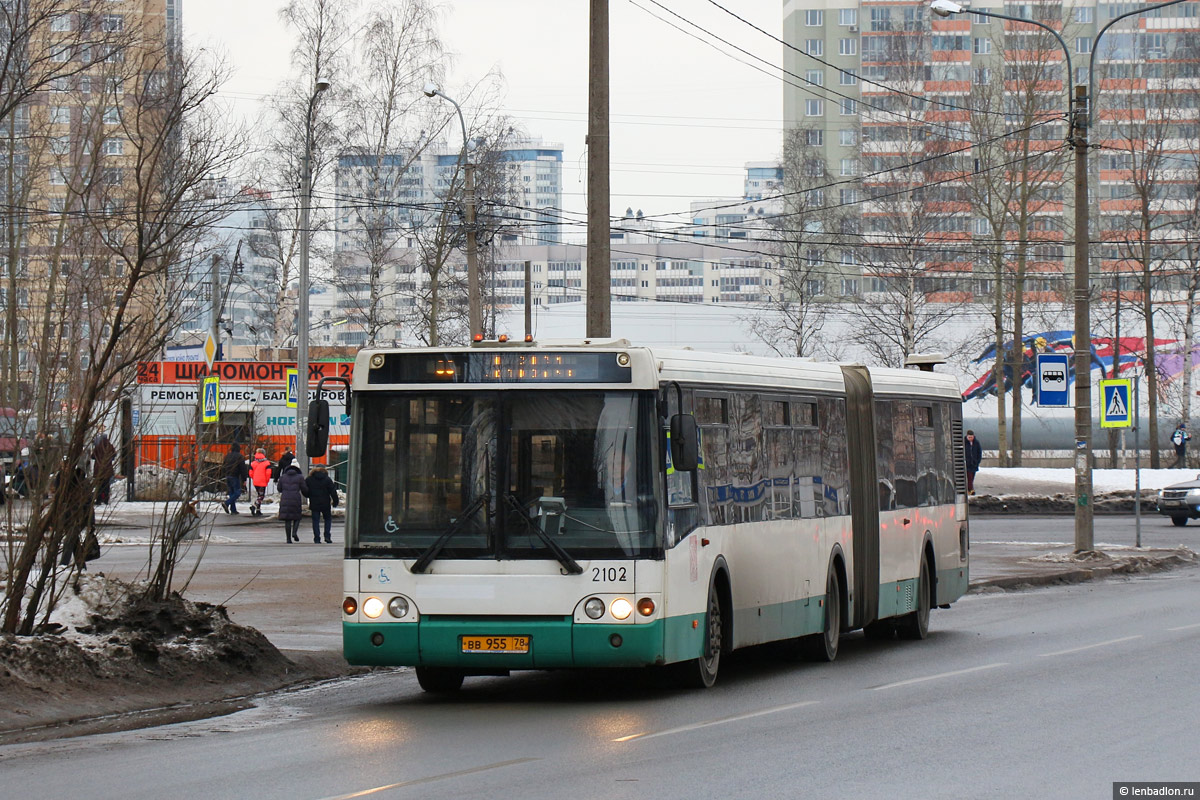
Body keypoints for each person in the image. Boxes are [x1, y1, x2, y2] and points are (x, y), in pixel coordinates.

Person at [57, 463, 99, 568]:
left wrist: (90, 521)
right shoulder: (63, 482)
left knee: (69, 541)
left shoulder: (81, 483)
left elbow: (89, 503)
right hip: (68, 517)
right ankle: (81, 567)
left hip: (79, 518)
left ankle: (63, 565)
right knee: (74, 543)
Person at [305, 465, 339, 543]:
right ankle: (327, 536)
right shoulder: (327, 479)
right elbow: (333, 491)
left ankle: (317, 538)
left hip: (314, 502)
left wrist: (308, 495)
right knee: (327, 519)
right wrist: (335, 501)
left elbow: (305, 489)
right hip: (325, 503)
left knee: (315, 520)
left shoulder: (309, 479)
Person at [277, 462, 309, 543]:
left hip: (285, 498)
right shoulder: (300, 477)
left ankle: (288, 539)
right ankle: (294, 532)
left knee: (287, 519)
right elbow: (304, 489)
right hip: (296, 498)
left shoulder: (283, 477)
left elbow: (279, 489)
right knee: (297, 517)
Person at [221, 444, 249, 515]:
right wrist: (244, 478)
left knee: (231, 493)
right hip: (235, 476)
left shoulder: (227, 456)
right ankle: (226, 503)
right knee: (237, 492)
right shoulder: (240, 457)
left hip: (228, 476)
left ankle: (233, 509)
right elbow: (243, 469)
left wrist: (224, 474)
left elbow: (223, 466)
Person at [91, 430, 116, 505]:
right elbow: (114, 454)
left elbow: (92, 456)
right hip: (107, 469)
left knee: (99, 485)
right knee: (106, 485)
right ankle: (105, 499)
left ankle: (99, 499)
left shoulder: (98, 447)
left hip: (99, 469)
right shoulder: (110, 446)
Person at [247, 448, 274, 517]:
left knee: (259, 495)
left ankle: (258, 510)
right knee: (261, 496)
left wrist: (254, 477)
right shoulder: (267, 463)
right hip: (262, 481)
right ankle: (255, 505)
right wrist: (266, 480)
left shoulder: (253, 463)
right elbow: (268, 473)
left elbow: (250, 473)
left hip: (256, 481)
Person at [965, 429, 983, 496]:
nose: (970, 439)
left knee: (972, 477)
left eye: (971, 437)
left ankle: (969, 489)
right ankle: (971, 489)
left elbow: (979, 452)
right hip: (967, 463)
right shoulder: (964, 443)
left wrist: (978, 461)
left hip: (974, 463)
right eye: (969, 437)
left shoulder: (976, 443)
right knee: (969, 477)